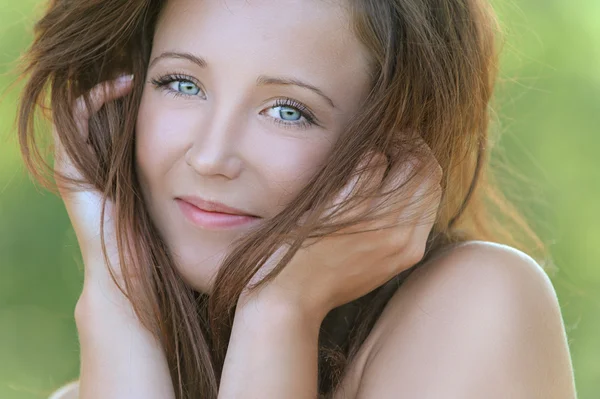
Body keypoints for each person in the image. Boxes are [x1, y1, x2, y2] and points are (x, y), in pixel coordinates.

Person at [17, 0, 576, 398]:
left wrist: (279, 311)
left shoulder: (478, 307)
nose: (211, 157)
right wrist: (117, 294)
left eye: (289, 110)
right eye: (182, 84)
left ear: (393, 153)